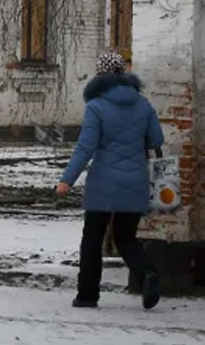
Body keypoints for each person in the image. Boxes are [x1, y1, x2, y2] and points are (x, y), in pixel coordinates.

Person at [55, 52, 164, 310]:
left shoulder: (96, 106)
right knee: (126, 237)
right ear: (123, 72)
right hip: (135, 180)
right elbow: (156, 140)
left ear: (100, 75)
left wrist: (66, 180)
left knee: (92, 238)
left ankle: (87, 296)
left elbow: (85, 147)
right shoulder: (143, 104)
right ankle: (147, 273)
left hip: (103, 183)